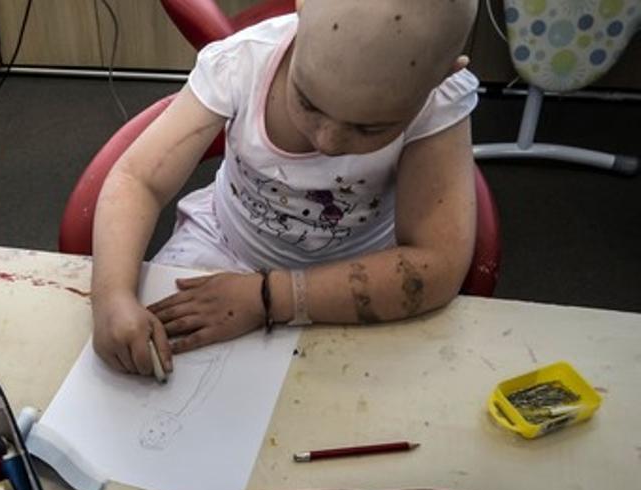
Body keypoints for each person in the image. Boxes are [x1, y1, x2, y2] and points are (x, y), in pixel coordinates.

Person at [91, 0, 479, 376]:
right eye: (309, 103)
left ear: (442, 75)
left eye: (370, 128)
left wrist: (269, 297)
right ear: (301, 6)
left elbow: (438, 262)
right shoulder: (243, 61)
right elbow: (136, 180)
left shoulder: (437, 101)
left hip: (357, 275)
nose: (328, 142)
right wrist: (112, 298)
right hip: (225, 242)